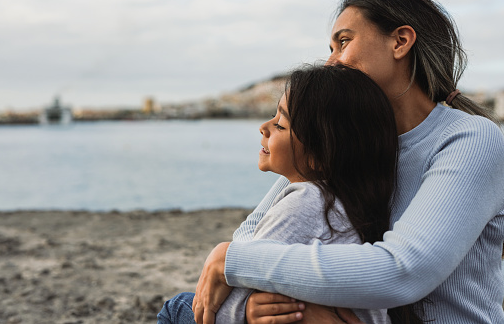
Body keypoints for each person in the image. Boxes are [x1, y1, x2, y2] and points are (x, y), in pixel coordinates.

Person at [192, 0, 504, 323]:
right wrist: (268, 302)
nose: (331, 62)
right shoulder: (354, 142)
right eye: (330, 48)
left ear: (400, 41)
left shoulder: (469, 138)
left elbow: (403, 271)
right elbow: (252, 232)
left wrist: (234, 261)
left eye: (343, 42)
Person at [158, 64, 423, 324]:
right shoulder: (356, 202)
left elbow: (235, 292)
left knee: (176, 307)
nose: (264, 127)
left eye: (281, 125)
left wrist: (244, 311)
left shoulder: (305, 202)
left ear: (321, 154)